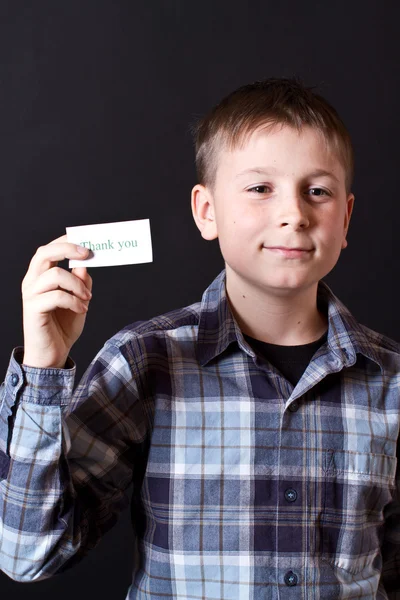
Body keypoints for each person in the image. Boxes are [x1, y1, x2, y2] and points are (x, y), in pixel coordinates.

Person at [1, 76, 399, 599]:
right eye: (261, 188)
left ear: (345, 218)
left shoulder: (391, 380)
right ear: (206, 211)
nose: (294, 215)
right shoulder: (144, 361)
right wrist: (44, 370)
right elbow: (28, 555)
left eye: (318, 191)